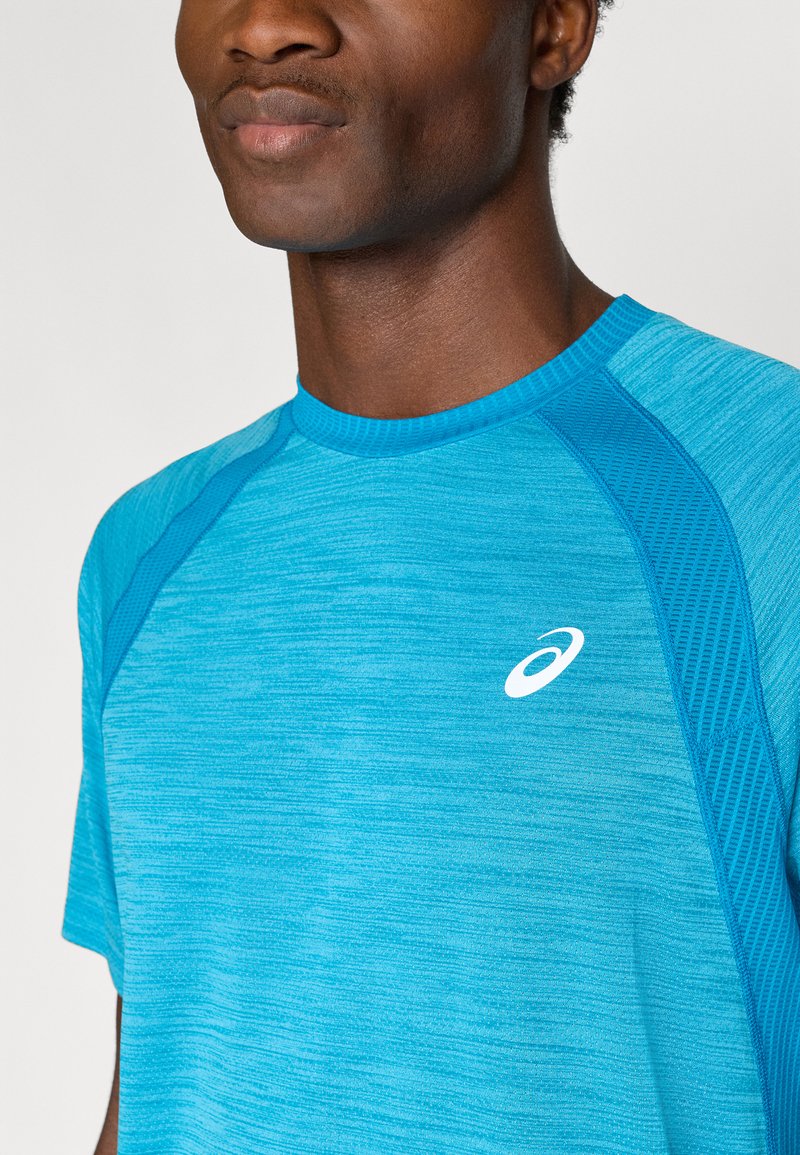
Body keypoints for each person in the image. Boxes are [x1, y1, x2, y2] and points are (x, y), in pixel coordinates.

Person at [60, 1, 800, 1152]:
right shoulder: (149, 553)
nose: (265, 26)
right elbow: (165, 1068)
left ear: (551, 29)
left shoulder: (762, 490)